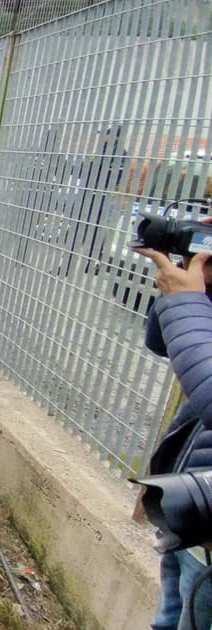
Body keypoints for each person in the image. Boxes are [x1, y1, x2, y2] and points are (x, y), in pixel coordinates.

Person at [132, 241, 212, 630]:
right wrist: (194, 291)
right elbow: (162, 343)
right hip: (193, 511)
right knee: (166, 617)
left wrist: (187, 305)